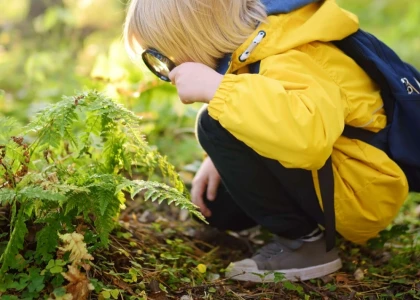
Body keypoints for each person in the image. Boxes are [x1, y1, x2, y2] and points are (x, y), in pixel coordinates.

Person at [124, 0, 408, 282]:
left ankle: (305, 244)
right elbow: (268, 107)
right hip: (339, 174)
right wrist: (222, 157)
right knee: (218, 207)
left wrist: (219, 90)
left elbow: (308, 140)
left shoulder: (290, 52)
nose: (169, 71)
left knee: (211, 123)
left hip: (359, 190)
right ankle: (292, 225)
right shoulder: (255, 46)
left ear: (195, 36)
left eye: (166, 57)